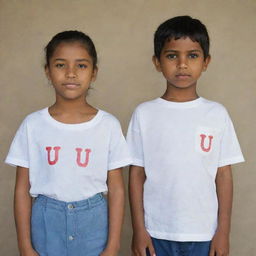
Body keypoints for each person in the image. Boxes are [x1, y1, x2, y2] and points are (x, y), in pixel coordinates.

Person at [5, 30, 132, 256]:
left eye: (81, 66)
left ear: (94, 73)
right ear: (48, 71)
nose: (71, 73)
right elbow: (22, 189)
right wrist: (25, 245)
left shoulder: (108, 125)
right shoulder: (33, 125)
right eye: (61, 65)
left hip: (94, 223)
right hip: (45, 223)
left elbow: (117, 188)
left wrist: (113, 245)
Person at [127, 16, 244, 256]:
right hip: (156, 231)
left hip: (204, 233)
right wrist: (139, 229)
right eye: (172, 56)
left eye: (192, 55)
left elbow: (223, 176)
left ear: (205, 62)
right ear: (157, 62)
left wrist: (223, 232)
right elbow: (136, 174)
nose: (182, 64)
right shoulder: (145, 113)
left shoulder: (217, 114)